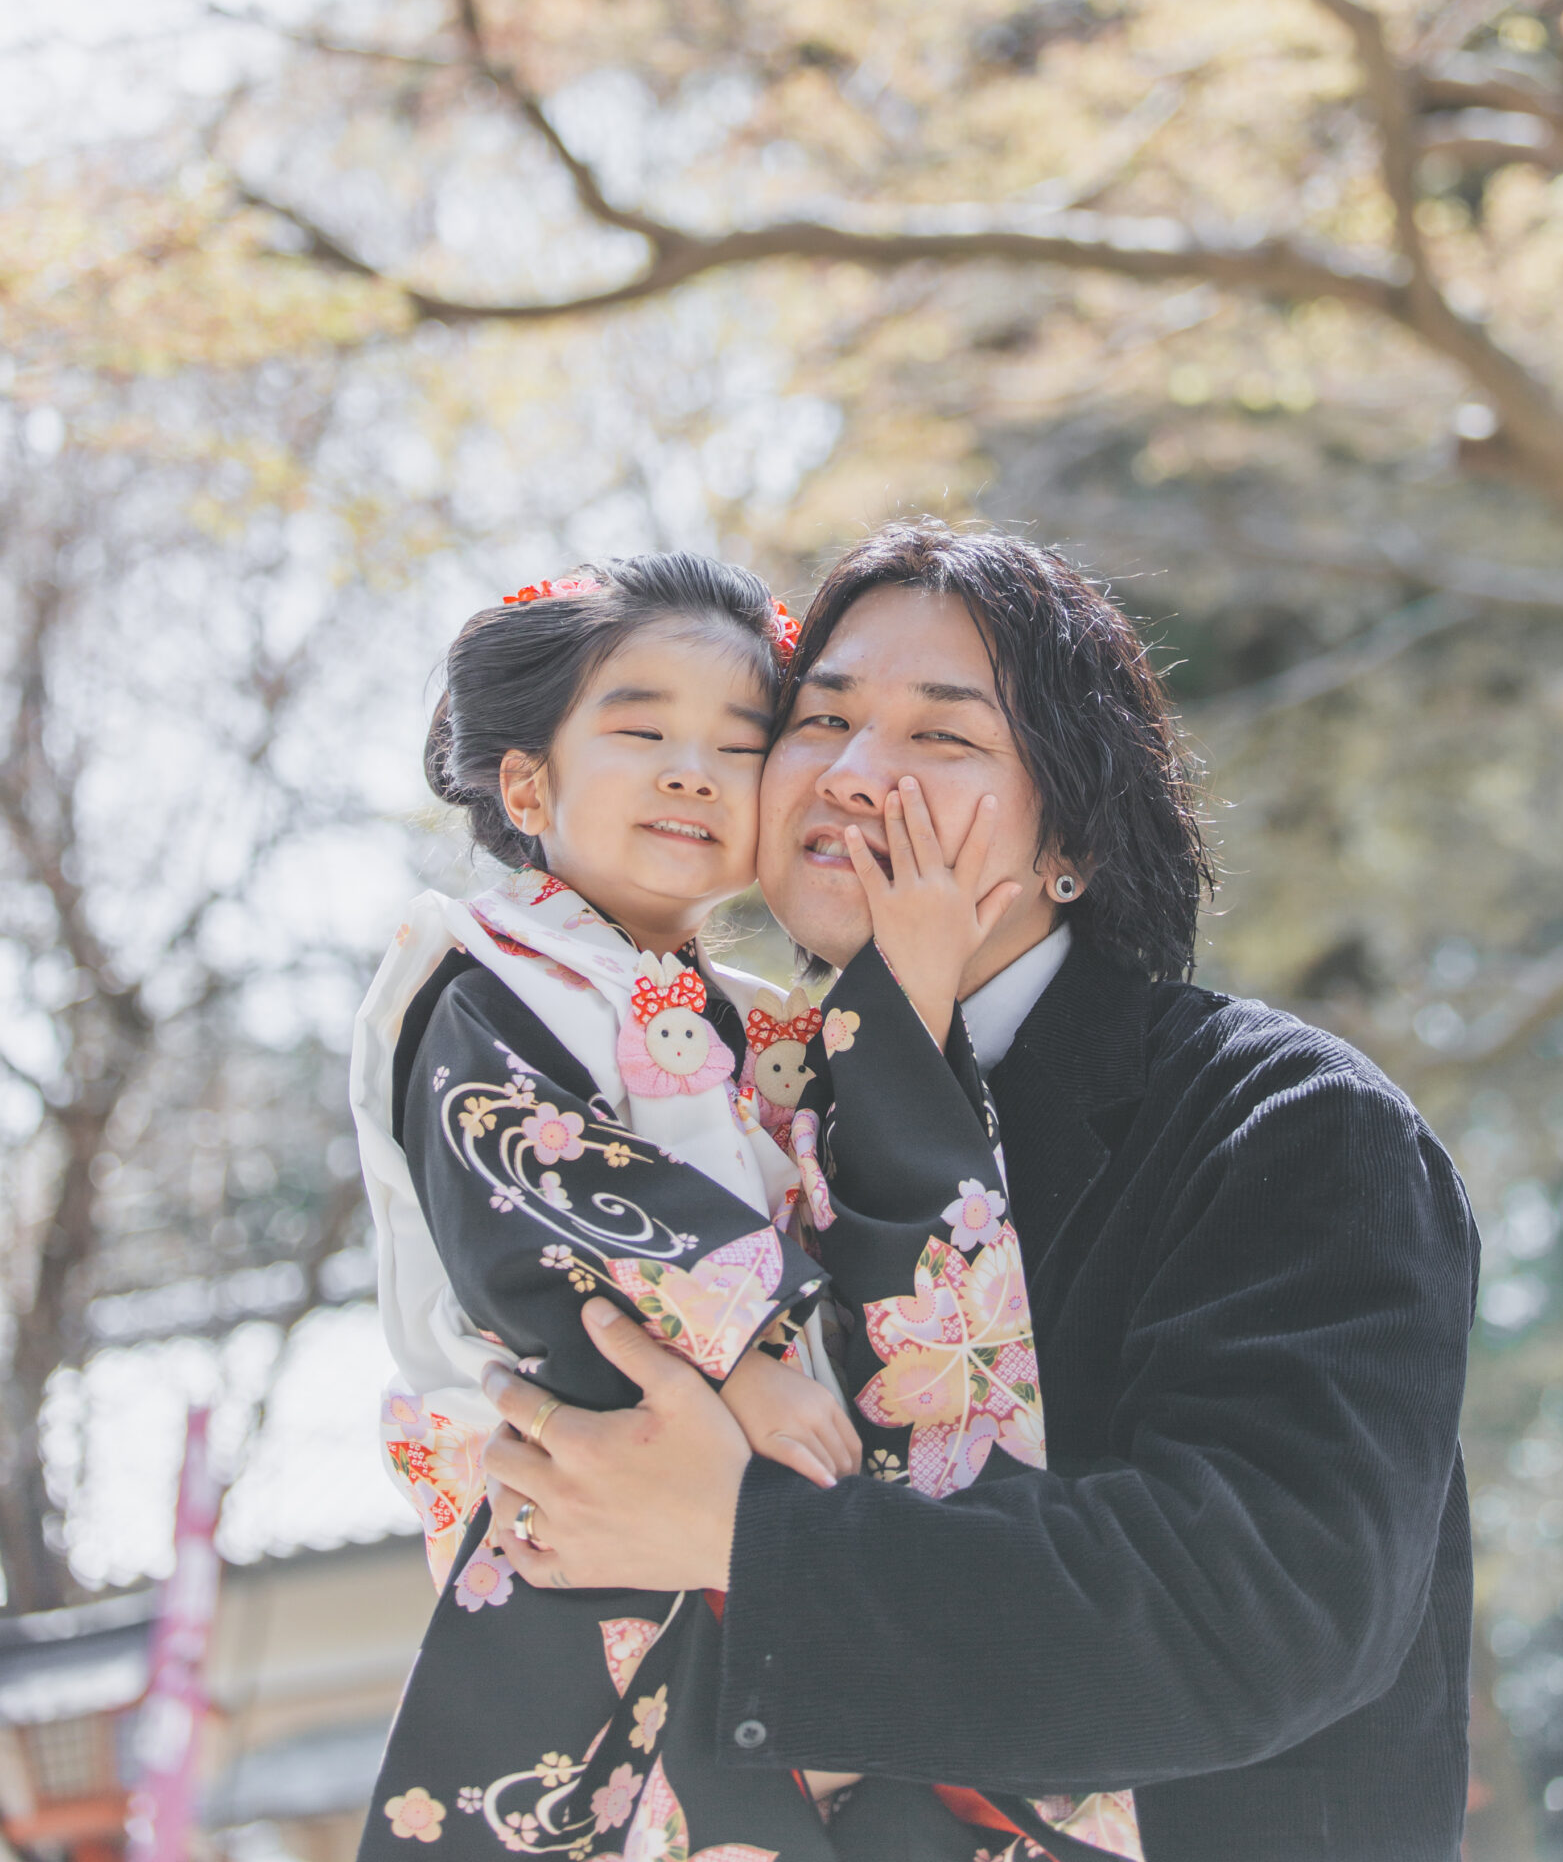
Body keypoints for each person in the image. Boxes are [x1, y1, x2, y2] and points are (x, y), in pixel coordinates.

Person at [481, 522, 1480, 1862]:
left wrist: (747, 1542)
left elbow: (1265, 1609)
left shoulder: (1285, 1123)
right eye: (820, 720)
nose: (852, 775)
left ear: (1072, 836)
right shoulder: (719, 1129)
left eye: (943, 735)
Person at [350, 549, 1132, 1862]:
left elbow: (870, 1187)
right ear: (527, 785)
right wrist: (750, 1352)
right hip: (598, 1448)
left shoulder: (729, 1012)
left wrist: (910, 989)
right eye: (642, 732)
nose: (693, 774)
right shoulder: (486, 978)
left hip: (765, 1481)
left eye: (739, 744)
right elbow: (532, 1190)